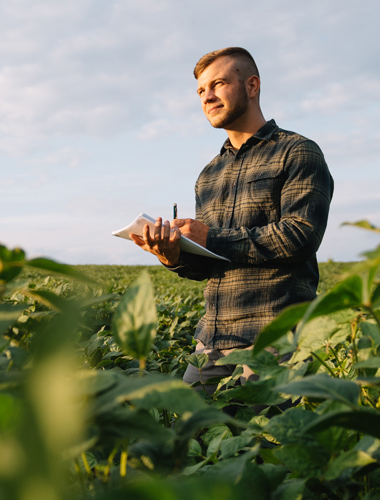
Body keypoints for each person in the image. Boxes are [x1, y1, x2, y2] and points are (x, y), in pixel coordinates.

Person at [131, 47, 333, 395]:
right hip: (211, 342)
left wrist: (211, 237)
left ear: (251, 86)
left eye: (218, 84)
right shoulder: (208, 174)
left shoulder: (297, 151)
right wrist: (173, 255)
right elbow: (211, 265)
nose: (207, 96)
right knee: (189, 440)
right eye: (200, 91)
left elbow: (301, 235)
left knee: (266, 444)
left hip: (275, 341)